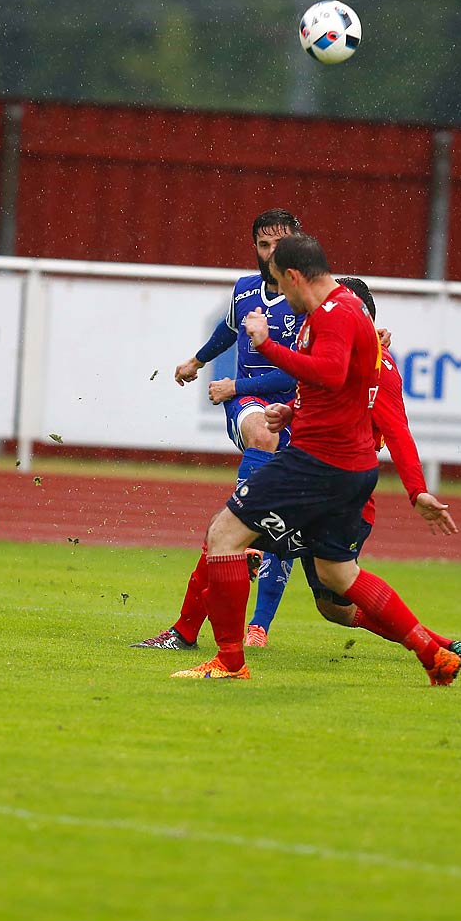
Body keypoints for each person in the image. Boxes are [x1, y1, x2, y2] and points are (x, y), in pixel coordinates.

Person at [166, 234, 461, 685]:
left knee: (224, 533)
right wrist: (294, 410)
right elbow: (337, 384)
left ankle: (229, 661)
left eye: (280, 287)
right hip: (350, 470)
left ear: (292, 276)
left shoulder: (334, 315)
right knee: (339, 577)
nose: (280, 299)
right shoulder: (339, 314)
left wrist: (266, 345)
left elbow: (327, 372)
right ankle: (432, 654)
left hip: (317, 464)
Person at [135, 209, 300, 651]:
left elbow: (300, 374)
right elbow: (228, 329)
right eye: (263, 245)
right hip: (254, 407)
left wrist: (234, 383)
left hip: (300, 417)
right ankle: (245, 517)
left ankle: (257, 623)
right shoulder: (245, 289)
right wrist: (198, 361)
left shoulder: (309, 300)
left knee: (289, 534)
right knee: (258, 460)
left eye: (279, 244)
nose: (271, 253)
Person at [291, 277, 461, 665]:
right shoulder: (325, 355)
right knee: (331, 602)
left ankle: (434, 645)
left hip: (340, 494)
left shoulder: (382, 367)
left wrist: (417, 490)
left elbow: (398, 431)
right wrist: (286, 411)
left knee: (336, 592)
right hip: (308, 480)